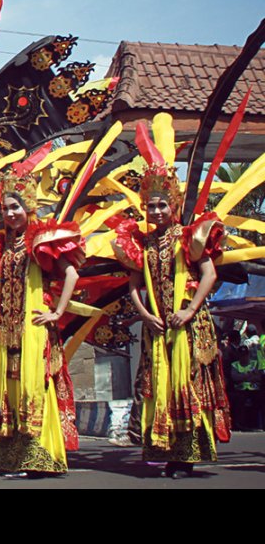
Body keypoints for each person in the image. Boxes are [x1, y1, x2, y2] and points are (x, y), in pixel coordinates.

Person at [113, 158, 231, 477]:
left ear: (174, 204)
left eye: (162, 205)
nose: (157, 212)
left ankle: (187, 455)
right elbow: (134, 285)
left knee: (185, 385)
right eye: (151, 207)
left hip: (189, 325)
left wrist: (189, 310)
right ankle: (167, 453)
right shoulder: (144, 244)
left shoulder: (188, 237)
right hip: (158, 326)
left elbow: (209, 274)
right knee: (160, 388)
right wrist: (145, 315)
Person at [0, 170, 83, 477]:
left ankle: (41, 457)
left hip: (33, 327)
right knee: (11, 388)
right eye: (5, 209)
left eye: (15, 207)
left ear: (28, 208)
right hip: (5, 329)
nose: (10, 214)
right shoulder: (3, 246)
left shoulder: (39, 240)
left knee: (34, 387)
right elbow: (0, 288)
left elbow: (71, 274)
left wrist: (57, 313)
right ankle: (16, 458)